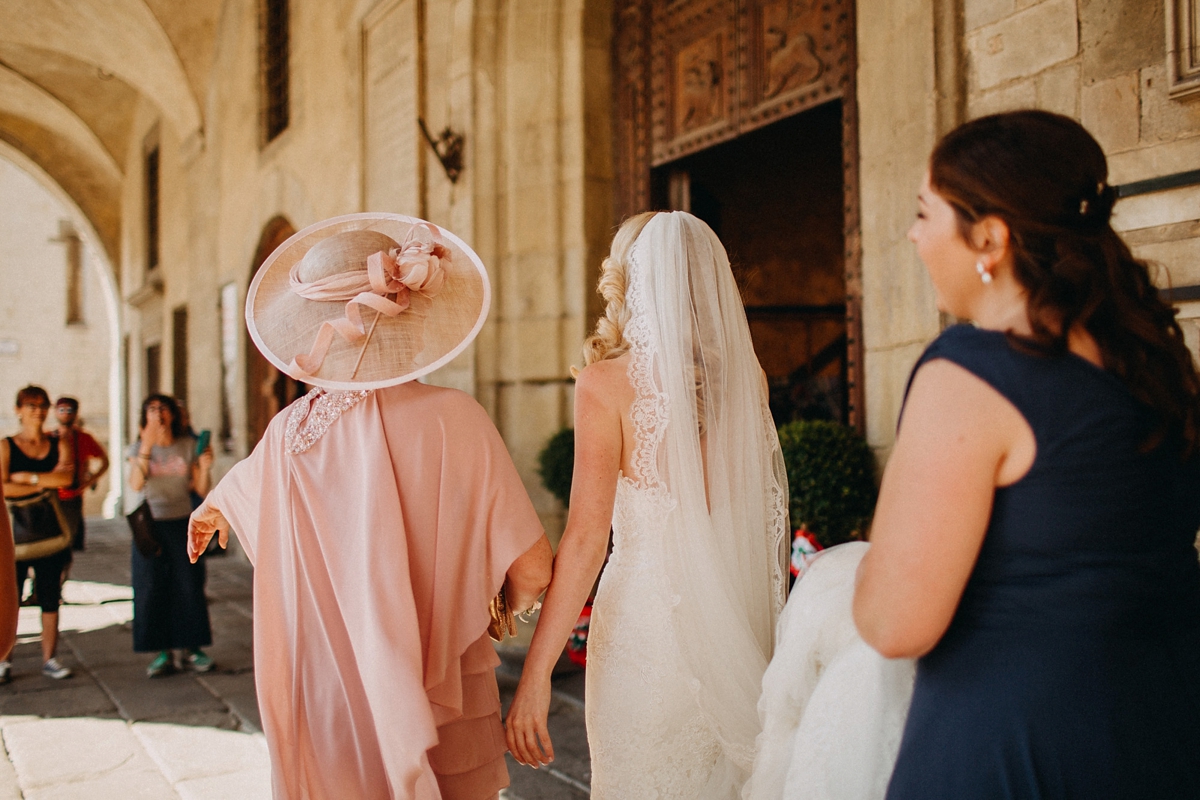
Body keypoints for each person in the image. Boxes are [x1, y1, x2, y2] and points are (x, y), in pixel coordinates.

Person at [848, 110, 1200, 798]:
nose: (915, 237)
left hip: (1013, 745)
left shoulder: (969, 372)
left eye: (926, 214)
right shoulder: (1155, 362)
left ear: (990, 237)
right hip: (1162, 731)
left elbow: (895, 622)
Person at [188, 213, 554, 800]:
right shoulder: (455, 419)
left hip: (327, 697)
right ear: (411, 311)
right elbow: (533, 569)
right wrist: (497, 603)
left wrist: (214, 508)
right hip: (444, 691)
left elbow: (242, 492)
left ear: (311, 327)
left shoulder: (287, 434)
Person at [506, 211, 789, 798]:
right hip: (735, 622)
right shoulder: (750, 379)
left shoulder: (604, 385)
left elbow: (586, 541)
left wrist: (535, 675)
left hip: (644, 630)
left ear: (627, 281)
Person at [126, 393, 215, 677]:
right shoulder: (138, 447)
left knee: (189, 584)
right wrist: (147, 446)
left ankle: (192, 648)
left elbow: (200, 489)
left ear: (173, 415)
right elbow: (135, 483)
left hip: (182, 522)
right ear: (144, 416)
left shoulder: (188, 445)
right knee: (152, 586)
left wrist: (205, 467)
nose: (158, 414)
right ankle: (162, 652)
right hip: (150, 525)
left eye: (163, 409)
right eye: (151, 409)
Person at [0, 385, 76, 681]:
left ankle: (50, 658)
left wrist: (27, 478)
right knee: (9, 598)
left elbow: (67, 477)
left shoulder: (59, 442)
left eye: (42, 404)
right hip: (15, 533)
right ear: (18, 409)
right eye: (31, 404)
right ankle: (5, 660)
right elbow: (3, 486)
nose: (38, 410)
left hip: (49, 531)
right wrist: (43, 484)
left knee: (50, 596)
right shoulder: (6, 446)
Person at [53, 396, 109, 551]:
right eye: (61, 410)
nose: (65, 414)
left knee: (69, 542)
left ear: (75, 413)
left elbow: (104, 461)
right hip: (52, 496)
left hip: (73, 496)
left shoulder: (84, 438)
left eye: (69, 410)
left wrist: (90, 481)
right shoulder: (49, 438)